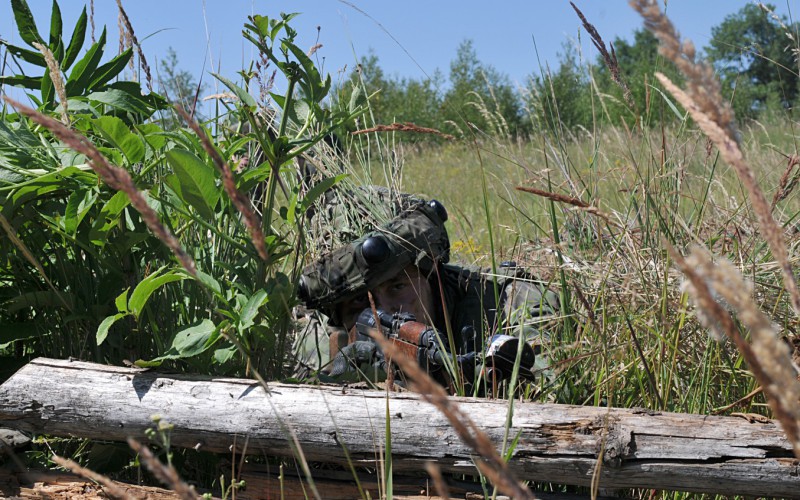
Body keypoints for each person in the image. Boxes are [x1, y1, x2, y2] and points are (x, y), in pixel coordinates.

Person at [292, 188, 561, 394]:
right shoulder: (321, 341)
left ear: (431, 274)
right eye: (361, 301)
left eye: (397, 287)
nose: (383, 312)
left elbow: (547, 388)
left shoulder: (511, 303)